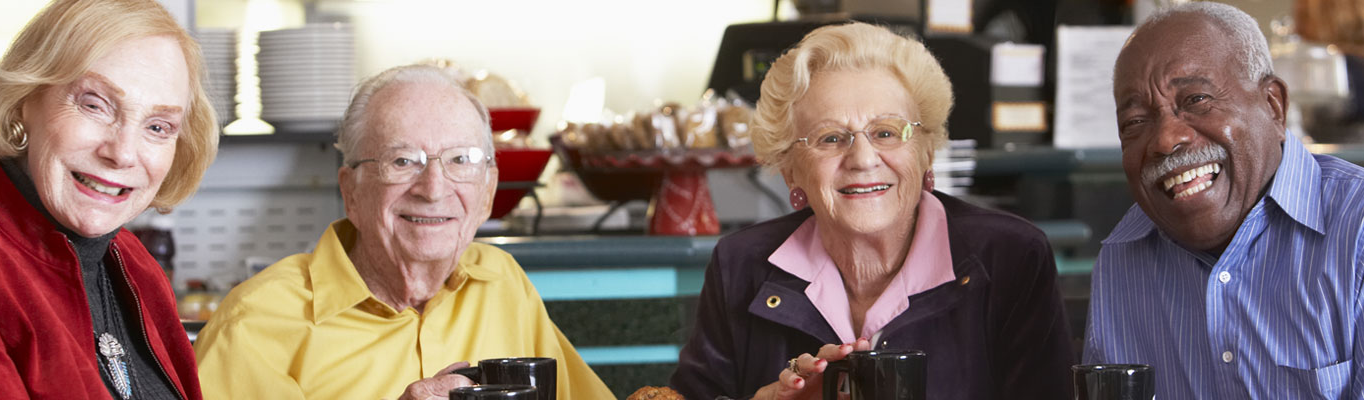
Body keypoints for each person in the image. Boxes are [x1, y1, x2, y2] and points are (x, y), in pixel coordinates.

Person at [670, 22, 1074, 399]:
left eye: (886, 132)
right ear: (790, 169)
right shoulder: (740, 265)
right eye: (830, 138)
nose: (863, 159)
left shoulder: (1011, 257)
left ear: (926, 150)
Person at [192, 64, 613, 400]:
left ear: (487, 193)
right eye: (402, 161)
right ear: (350, 191)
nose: (433, 189)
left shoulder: (502, 283)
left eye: (461, 160)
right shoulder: (255, 323)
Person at [1083, 3, 1364, 398]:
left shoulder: (1357, 231)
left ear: (1273, 106)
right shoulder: (1122, 260)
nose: (1165, 140)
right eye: (1135, 123)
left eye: (1196, 100)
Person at [0, 0, 217, 398]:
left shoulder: (132, 262)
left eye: (158, 126)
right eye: (95, 105)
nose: (123, 153)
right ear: (25, 98)